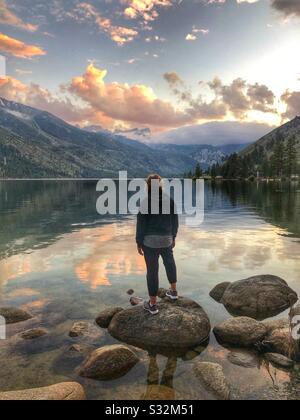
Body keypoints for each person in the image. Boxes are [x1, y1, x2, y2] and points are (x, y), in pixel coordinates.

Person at [136, 174, 179, 315]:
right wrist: (173, 236)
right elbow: (175, 221)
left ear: (147, 186)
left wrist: (138, 242)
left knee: (152, 271)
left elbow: (141, 225)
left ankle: (153, 305)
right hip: (167, 239)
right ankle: (173, 292)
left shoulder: (145, 202)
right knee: (169, 262)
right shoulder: (169, 200)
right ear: (161, 185)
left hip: (150, 242)